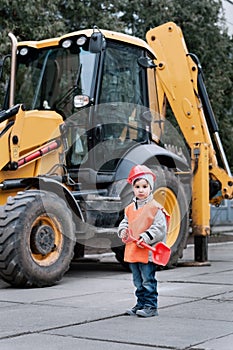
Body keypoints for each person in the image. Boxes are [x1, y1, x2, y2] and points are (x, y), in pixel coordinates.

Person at [118, 164, 170, 317]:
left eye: (144, 186)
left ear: (150, 187)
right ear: (133, 188)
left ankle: (151, 306)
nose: (141, 190)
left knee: (148, 280)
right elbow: (125, 222)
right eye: (137, 186)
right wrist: (123, 231)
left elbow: (159, 228)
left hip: (147, 252)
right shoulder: (129, 209)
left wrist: (145, 237)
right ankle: (140, 304)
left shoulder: (155, 208)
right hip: (134, 251)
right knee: (138, 281)